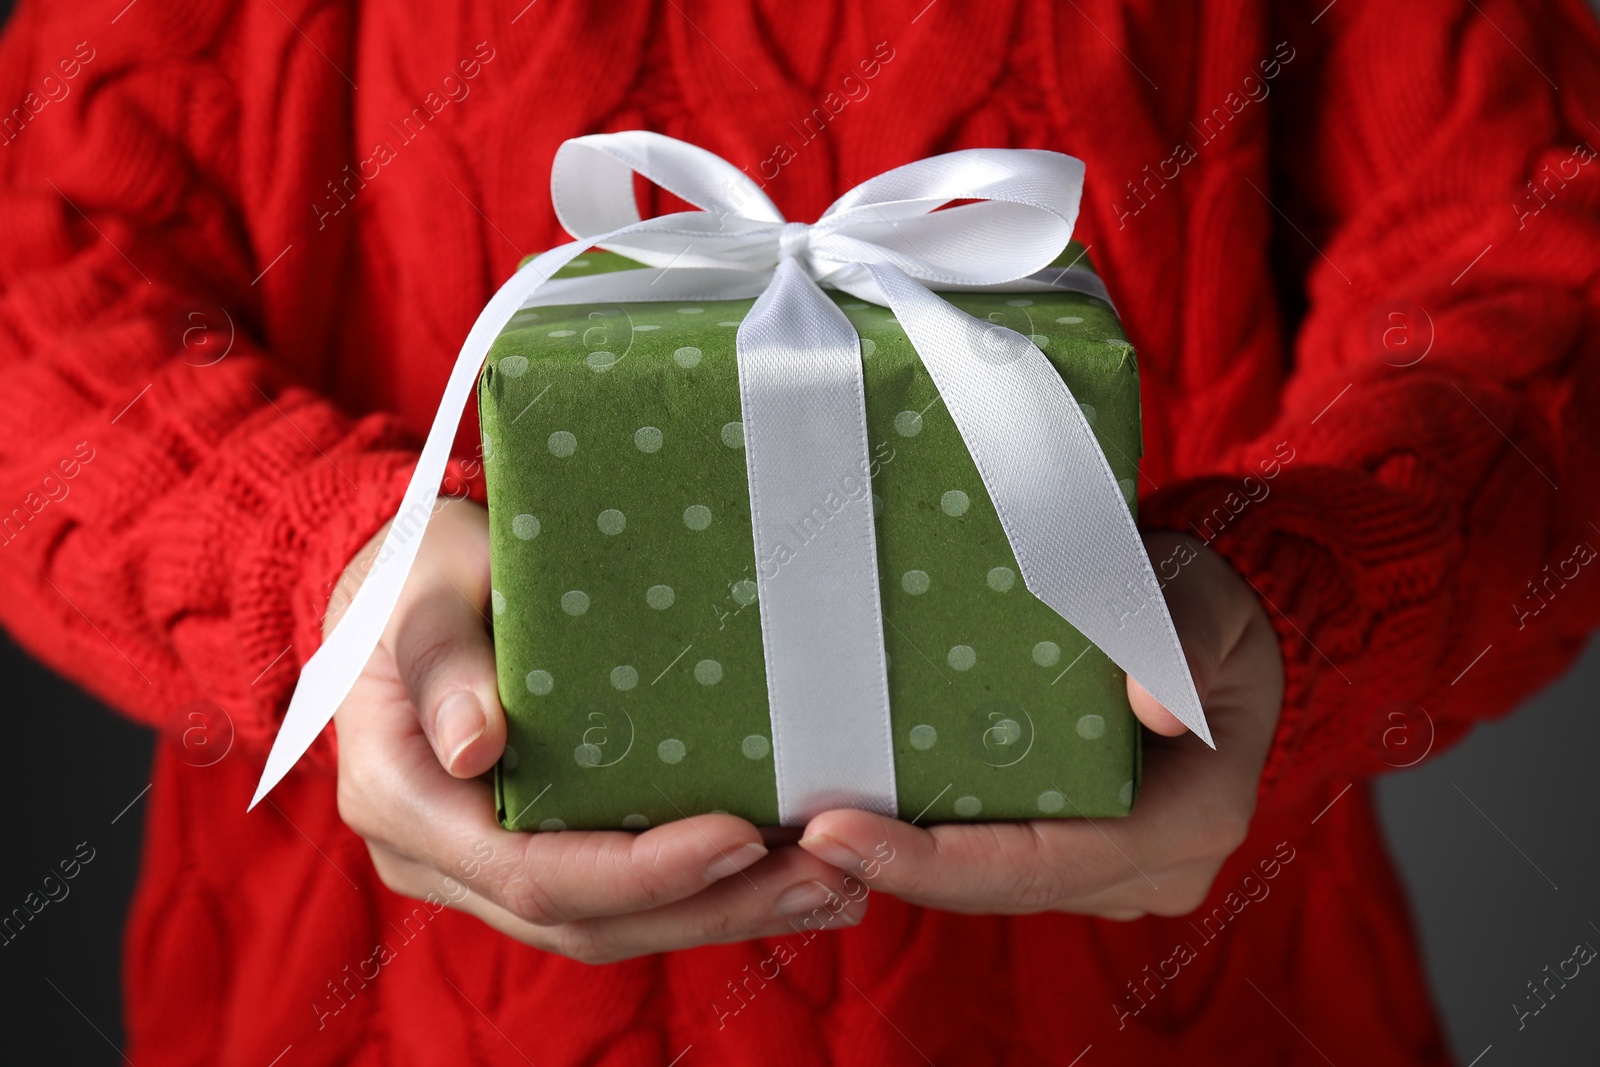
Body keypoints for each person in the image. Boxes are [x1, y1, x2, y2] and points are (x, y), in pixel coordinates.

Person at [2, 0, 1597, 1063]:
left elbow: (1535, 241)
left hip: (1200, 1008)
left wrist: (1301, 598)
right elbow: (39, 272)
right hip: (383, 1017)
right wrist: (322, 576)